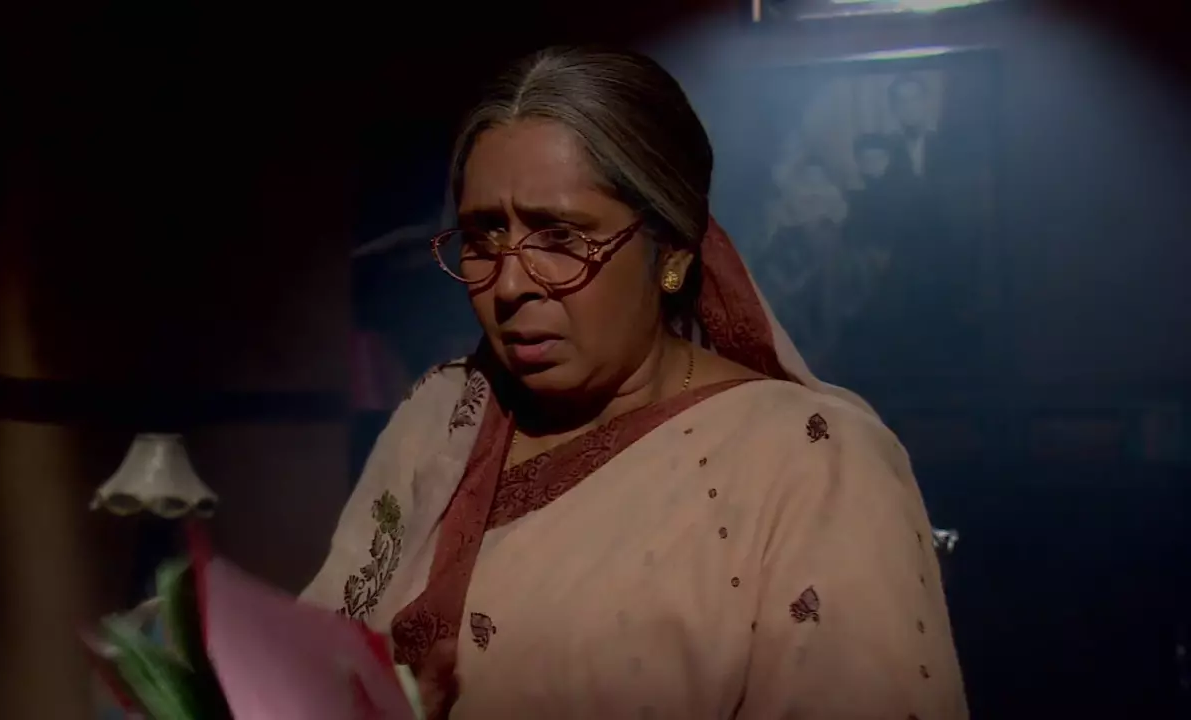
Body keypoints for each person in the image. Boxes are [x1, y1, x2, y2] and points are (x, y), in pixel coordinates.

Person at [303, 46, 967, 719]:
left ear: (671, 252)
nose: (508, 286)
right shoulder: (442, 415)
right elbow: (312, 665)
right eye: (484, 236)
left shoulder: (810, 462)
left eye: (560, 237)